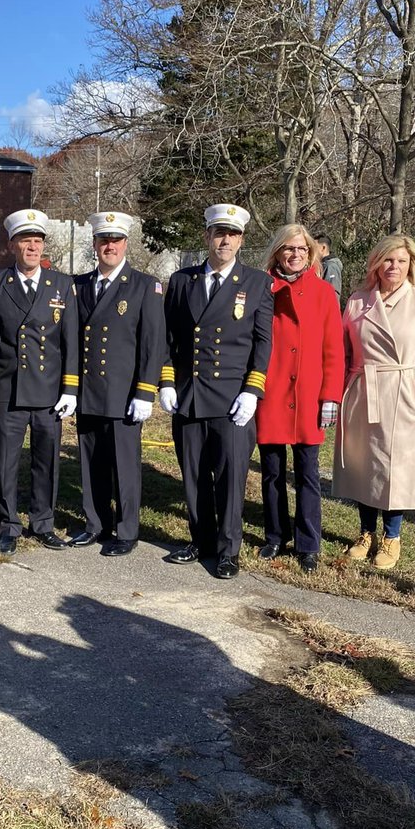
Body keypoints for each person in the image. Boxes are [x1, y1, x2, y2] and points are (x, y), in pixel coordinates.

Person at [160, 203, 273, 579]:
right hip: (190, 394)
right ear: (207, 236)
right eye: (219, 233)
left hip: (231, 399)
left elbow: (262, 342)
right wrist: (166, 381)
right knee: (192, 474)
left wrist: (253, 390)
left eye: (233, 234)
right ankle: (200, 540)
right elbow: (169, 338)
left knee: (229, 477)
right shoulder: (182, 281)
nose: (225, 240)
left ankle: (227, 549)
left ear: (241, 240)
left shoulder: (256, 283)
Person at [333, 234, 415, 569]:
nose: (394, 267)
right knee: (363, 465)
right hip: (362, 390)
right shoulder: (358, 300)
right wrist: (341, 388)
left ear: (411, 264)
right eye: (387, 260)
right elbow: (343, 350)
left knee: (395, 469)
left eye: (401, 261)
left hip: (402, 393)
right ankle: (365, 532)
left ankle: (392, 536)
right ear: (376, 263)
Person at [70, 211, 165, 556]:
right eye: (103, 240)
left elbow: (153, 344)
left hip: (125, 393)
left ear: (126, 243)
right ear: (94, 244)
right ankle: (95, 524)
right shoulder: (78, 285)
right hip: (88, 390)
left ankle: (126, 530)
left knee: (124, 465)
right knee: (91, 460)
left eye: (116, 240)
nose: (109, 246)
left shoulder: (144, 285)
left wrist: (145, 391)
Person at [0, 209, 78, 555]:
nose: (33, 247)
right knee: (6, 462)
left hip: (49, 391)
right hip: (9, 390)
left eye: (38, 241)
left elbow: (70, 341)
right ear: (13, 245)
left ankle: (43, 522)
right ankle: (8, 525)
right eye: (26, 241)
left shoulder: (62, 285)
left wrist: (70, 388)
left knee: (47, 461)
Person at [255, 225, 344, 572]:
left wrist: (330, 398)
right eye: (288, 249)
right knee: (272, 472)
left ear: (311, 254)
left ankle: (309, 542)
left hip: (308, 397)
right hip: (272, 394)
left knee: (308, 472)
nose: (295, 255)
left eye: (302, 249)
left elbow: (333, 351)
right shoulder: (262, 288)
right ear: (277, 252)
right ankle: (275, 535)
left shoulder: (323, 293)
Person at [317, 232, 343, 301]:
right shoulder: (322, 266)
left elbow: (332, 295)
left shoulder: (331, 267)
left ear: (323, 248)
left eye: (314, 247)